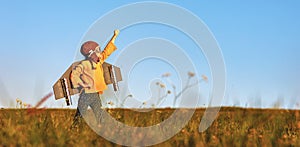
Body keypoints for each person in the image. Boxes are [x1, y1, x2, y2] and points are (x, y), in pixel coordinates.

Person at [70, 30, 120, 127]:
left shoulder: (99, 62)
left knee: (100, 115)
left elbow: (107, 50)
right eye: (97, 51)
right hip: (86, 94)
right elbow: (74, 75)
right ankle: (74, 131)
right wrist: (82, 84)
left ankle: (103, 131)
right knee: (80, 116)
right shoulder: (84, 64)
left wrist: (115, 36)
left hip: (95, 94)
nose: (100, 53)